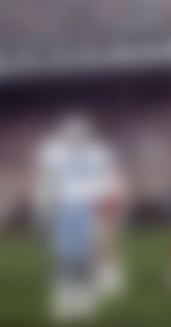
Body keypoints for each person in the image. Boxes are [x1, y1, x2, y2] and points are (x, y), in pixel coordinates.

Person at [32, 115, 124, 324]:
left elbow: (108, 181)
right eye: (72, 133)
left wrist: (110, 208)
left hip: (90, 208)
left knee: (86, 257)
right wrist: (42, 206)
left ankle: (83, 302)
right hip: (64, 208)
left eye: (81, 134)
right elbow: (46, 181)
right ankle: (64, 301)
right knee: (64, 257)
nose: (76, 137)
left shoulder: (99, 153)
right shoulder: (52, 152)